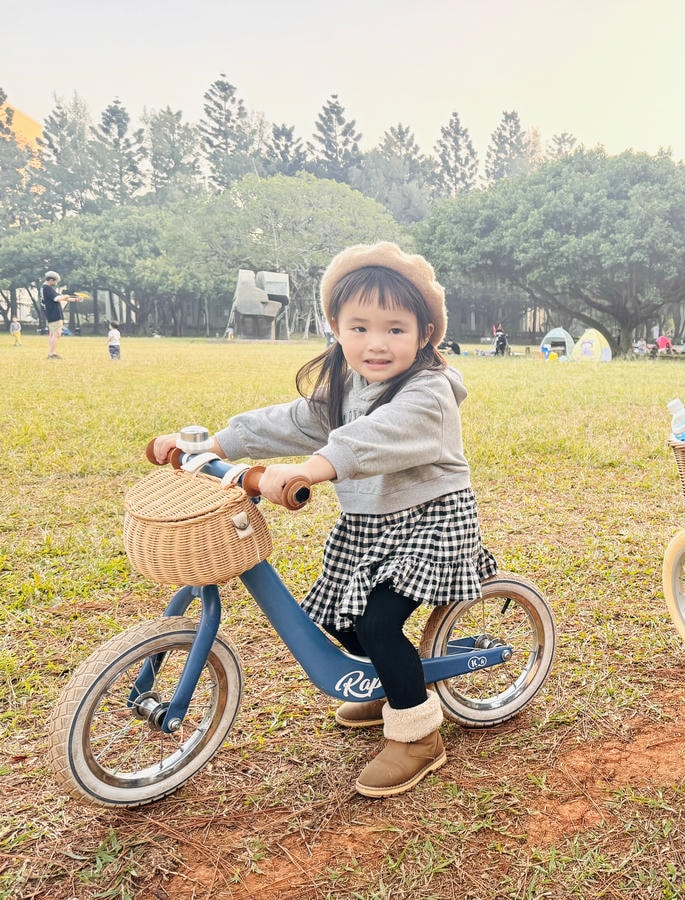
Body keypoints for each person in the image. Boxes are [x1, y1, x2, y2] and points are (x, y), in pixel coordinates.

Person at [150, 241, 497, 798]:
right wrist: (212, 444)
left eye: (395, 329)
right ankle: (388, 683)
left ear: (425, 334)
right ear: (335, 328)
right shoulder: (346, 386)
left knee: (379, 625)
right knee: (338, 616)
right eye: (359, 327)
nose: (376, 343)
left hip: (429, 523)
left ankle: (418, 736)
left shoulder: (429, 393)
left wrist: (308, 470)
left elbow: (369, 438)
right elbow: (292, 420)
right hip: (370, 524)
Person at [41, 271, 76, 359]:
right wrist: (65, 296)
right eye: (55, 281)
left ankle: (51, 353)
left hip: (50, 314)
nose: (56, 283)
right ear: (51, 280)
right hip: (54, 313)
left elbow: (59, 297)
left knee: (52, 334)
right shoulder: (48, 288)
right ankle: (52, 353)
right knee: (56, 334)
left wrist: (75, 299)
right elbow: (56, 298)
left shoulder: (43, 288)